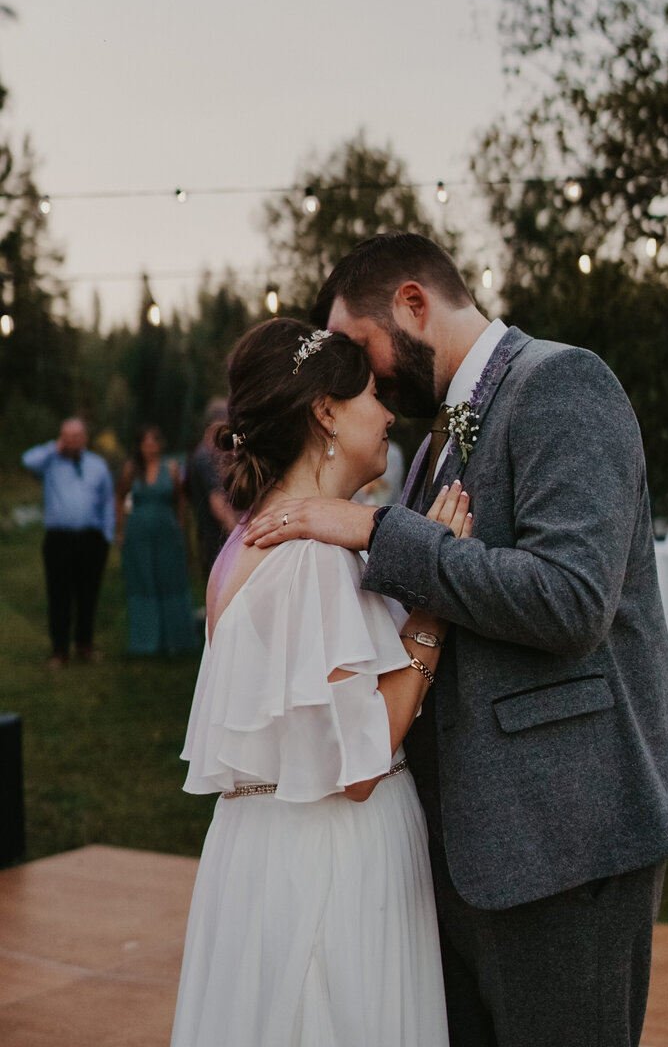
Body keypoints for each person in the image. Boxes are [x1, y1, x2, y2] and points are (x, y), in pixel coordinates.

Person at [244, 232, 668, 1047]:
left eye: (359, 351)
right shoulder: (435, 442)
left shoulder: (565, 384)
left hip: (568, 843)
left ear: (413, 305)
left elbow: (571, 602)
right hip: (467, 854)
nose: (357, 379)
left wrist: (373, 529)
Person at [171, 318, 469, 1047]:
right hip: (331, 868)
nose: (389, 413)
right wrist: (436, 598)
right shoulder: (307, 556)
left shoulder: (246, 542)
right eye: (372, 393)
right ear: (325, 412)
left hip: (264, 850)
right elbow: (358, 763)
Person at [22, 417, 115, 668]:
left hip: (90, 539)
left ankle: (84, 645)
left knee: (88, 594)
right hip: (59, 540)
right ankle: (59, 650)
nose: (72, 441)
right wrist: (56, 448)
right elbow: (27, 459)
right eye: (67, 436)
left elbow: (108, 501)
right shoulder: (49, 463)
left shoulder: (97, 465)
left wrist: (107, 535)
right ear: (61, 438)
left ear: (85, 438)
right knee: (59, 595)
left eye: (77, 437)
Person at [116, 426, 196, 656]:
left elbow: (180, 501)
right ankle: (145, 641)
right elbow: (120, 496)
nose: (150, 446)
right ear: (140, 446)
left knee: (171, 579)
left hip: (167, 531)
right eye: (146, 442)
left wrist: (181, 528)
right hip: (138, 533)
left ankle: (176, 639)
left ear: (161, 445)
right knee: (144, 581)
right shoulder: (132, 470)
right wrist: (120, 528)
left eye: (154, 442)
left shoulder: (171, 469)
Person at [184, 397, 238, 581]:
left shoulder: (202, 453)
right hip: (220, 543)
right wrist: (242, 538)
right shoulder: (206, 457)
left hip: (213, 540)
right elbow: (218, 504)